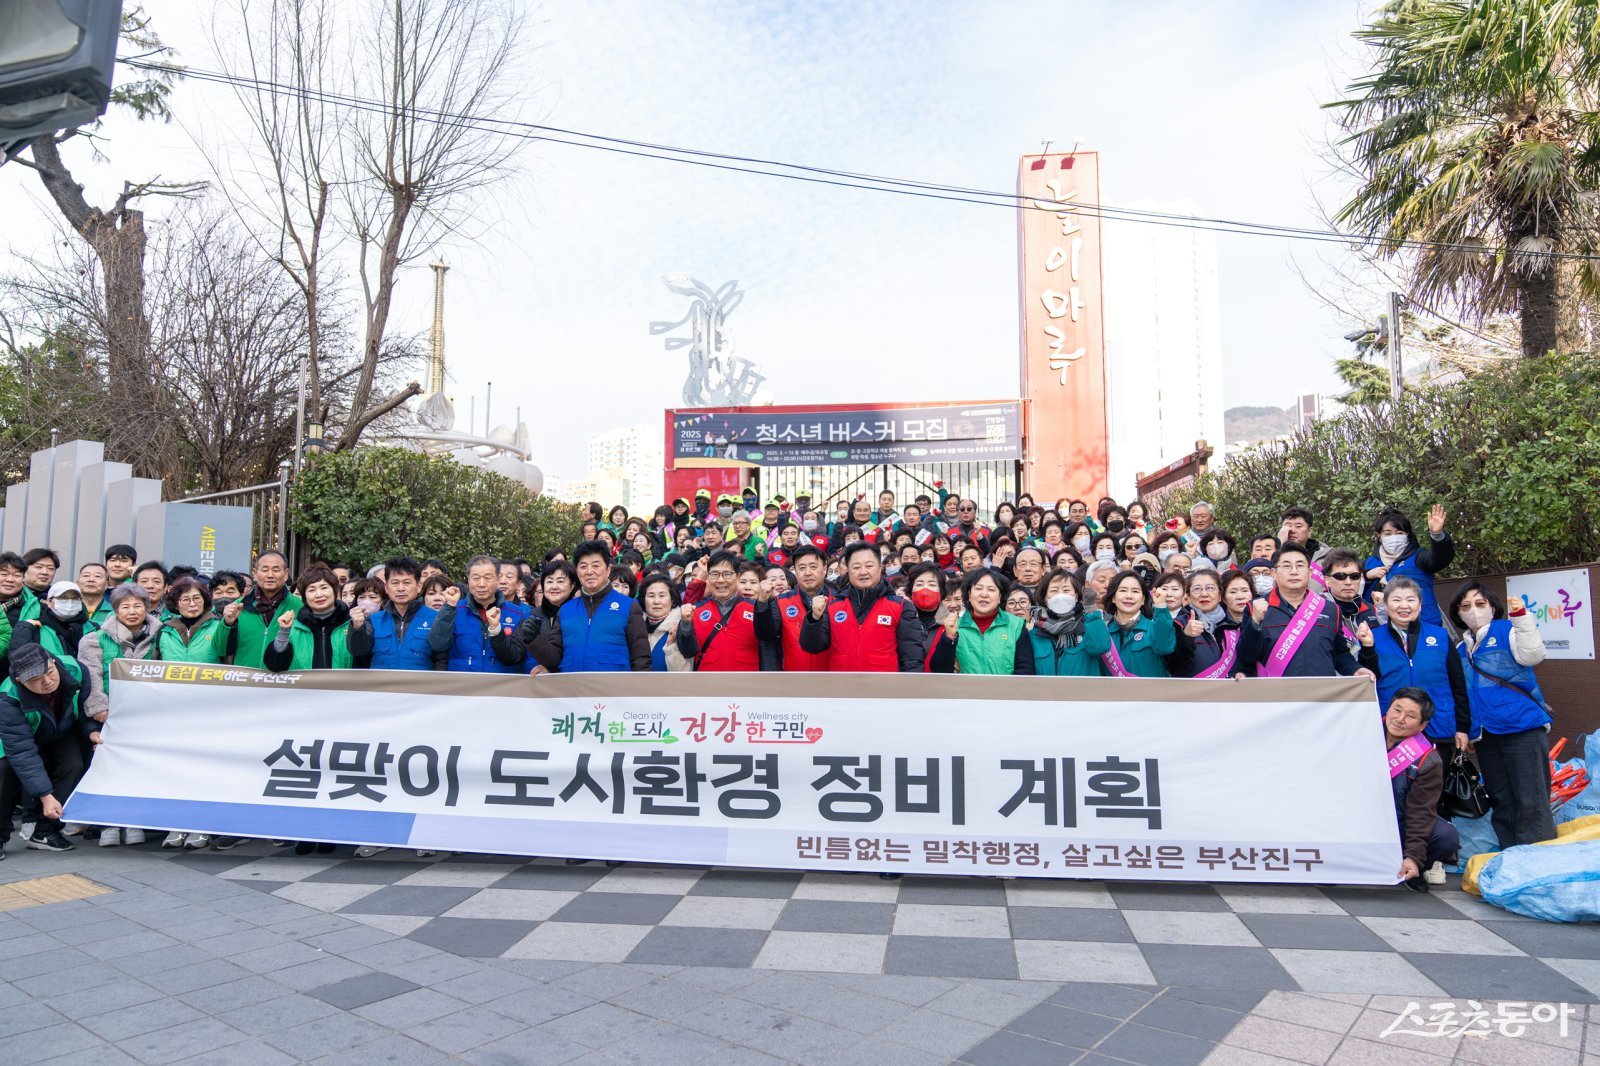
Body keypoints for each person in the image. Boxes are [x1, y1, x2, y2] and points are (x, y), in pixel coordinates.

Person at [1448, 581, 1556, 848]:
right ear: (1458, 614)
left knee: (1532, 799)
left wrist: (1521, 619)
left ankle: (1538, 862)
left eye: (1480, 603)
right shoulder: (1461, 649)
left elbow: (1533, 655)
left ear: (1493, 607)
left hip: (1522, 728)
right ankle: (1511, 858)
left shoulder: (1507, 630)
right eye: (1466, 606)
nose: (1473, 610)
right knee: (1501, 799)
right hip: (1487, 735)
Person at [77, 585, 162, 847]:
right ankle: (109, 824)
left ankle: (135, 820)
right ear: (115, 610)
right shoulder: (94, 639)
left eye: (137, 605)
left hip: (146, 717)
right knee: (108, 768)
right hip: (109, 715)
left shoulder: (162, 635)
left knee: (140, 768)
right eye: (125, 606)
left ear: (147, 607)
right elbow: (91, 678)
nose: (132, 611)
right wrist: (99, 709)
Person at [0, 644, 88, 855]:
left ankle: (45, 831)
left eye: (49, 672)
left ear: (54, 662)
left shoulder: (75, 668)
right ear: (20, 681)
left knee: (73, 764)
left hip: (59, 729)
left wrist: (92, 730)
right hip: (19, 738)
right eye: (36, 680)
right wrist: (45, 795)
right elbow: (22, 752)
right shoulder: (8, 698)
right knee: (5, 772)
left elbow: (87, 708)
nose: (47, 682)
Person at [1370, 577, 1469, 765]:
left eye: (1410, 599)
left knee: (1438, 788)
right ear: (1386, 605)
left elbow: (1458, 684)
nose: (1404, 606)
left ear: (1420, 605)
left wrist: (1463, 727)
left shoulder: (1439, 635)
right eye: (1396, 600)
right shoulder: (1372, 638)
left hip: (1439, 726)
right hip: (1391, 727)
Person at [1237, 543, 1372, 679]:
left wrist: (1356, 669)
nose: (1294, 571)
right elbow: (1246, 657)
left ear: (1310, 573)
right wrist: (1255, 622)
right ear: (1274, 573)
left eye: (1300, 565)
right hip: (1277, 695)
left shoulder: (1330, 609)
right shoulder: (1256, 608)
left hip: (1321, 695)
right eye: (1286, 566)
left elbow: (1340, 654)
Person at [799, 541, 926, 671]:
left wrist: (909, 688)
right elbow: (812, 646)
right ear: (847, 570)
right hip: (842, 685)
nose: (863, 572)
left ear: (880, 568)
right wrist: (814, 618)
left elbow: (912, 657)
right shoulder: (833, 607)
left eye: (869, 566)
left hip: (885, 686)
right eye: (856, 567)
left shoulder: (900, 607)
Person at [529, 541, 651, 672]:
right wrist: (534, 639)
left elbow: (641, 659)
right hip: (573, 689)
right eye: (583, 566)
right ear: (577, 571)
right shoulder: (566, 610)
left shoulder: (628, 607)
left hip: (614, 690)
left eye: (596, 566)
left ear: (608, 569)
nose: (589, 571)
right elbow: (555, 660)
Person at [1384, 688, 1460, 891]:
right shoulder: (1361, 733)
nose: (1399, 719)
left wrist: (1414, 857)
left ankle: (1412, 869)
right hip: (1357, 821)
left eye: (1410, 716)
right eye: (1396, 710)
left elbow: (1421, 812)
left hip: (1399, 824)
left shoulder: (1428, 759)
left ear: (1422, 725)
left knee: (1445, 836)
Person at [674, 550, 781, 671]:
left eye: (727, 574)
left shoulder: (757, 608)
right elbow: (687, 651)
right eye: (714, 574)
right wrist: (685, 623)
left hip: (749, 685)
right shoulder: (697, 609)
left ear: (738, 577)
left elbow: (768, 641)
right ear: (707, 577)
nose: (720, 580)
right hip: (707, 684)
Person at [429, 555, 530, 673]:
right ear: (468, 579)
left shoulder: (516, 613)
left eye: (488, 578)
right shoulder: (454, 609)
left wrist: (496, 630)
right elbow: (437, 645)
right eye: (476, 578)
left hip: (501, 686)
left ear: (497, 580)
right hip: (463, 686)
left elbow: (514, 657)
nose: (481, 584)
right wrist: (449, 607)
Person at [930, 569, 1035, 675]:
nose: (984, 594)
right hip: (966, 691)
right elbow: (939, 671)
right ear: (969, 595)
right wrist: (948, 638)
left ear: (1000, 597)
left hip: (1006, 690)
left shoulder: (1016, 625)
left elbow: (1025, 668)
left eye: (991, 589)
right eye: (978, 588)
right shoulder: (955, 626)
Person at [1364, 504, 1454, 625]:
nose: (1394, 537)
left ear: (1407, 534)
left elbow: (1441, 559)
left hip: (1425, 626)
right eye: (1388, 533)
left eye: (1399, 533)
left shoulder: (1419, 557)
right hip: (1383, 630)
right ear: (1379, 535)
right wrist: (1367, 575)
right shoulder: (1370, 562)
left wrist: (1437, 534)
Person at [347, 557, 439, 671]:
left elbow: (442, 659)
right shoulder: (375, 620)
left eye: (406, 582)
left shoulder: (434, 618)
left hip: (420, 686)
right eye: (394, 583)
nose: (400, 588)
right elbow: (358, 651)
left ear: (419, 586)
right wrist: (357, 627)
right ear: (386, 587)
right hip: (382, 686)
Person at [264, 568, 356, 672]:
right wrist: (284, 632)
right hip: (303, 688)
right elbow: (275, 666)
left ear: (335, 591)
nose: (319, 595)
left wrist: (358, 629)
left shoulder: (352, 624)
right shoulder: (294, 628)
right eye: (311, 590)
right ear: (304, 597)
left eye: (324, 588)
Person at [232, 551, 301, 670]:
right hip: (246, 681)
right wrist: (227, 624)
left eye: (276, 570)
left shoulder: (300, 606)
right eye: (264, 570)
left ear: (285, 574)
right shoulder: (238, 607)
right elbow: (220, 649)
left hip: (286, 682)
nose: (270, 575)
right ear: (254, 573)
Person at [1100, 571, 1176, 677]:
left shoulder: (1154, 627)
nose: (1129, 596)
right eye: (1123, 590)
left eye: (1135, 591)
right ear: (1113, 597)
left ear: (1143, 599)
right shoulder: (1103, 633)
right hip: (1113, 693)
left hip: (1149, 693)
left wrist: (1161, 606)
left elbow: (1165, 647)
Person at [775, 545, 832, 671]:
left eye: (813, 567)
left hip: (831, 678)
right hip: (794, 679)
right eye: (801, 568)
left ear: (824, 569)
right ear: (795, 571)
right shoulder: (781, 601)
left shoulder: (839, 601)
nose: (807, 573)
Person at [1178, 569, 1244, 679]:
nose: (1204, 594)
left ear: (1220, 596)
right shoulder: (1179, 624)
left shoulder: (1234, 625)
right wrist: (1186, 637)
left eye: (1210, 588)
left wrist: (1243, 672)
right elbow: (1175, 667)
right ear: (1188, 597)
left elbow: (1247, 661)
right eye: (1197, 589)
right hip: (1195, 693)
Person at [640, 572, 692, 672]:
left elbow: (684, 674)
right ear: (644, 599)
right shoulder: (636, 626)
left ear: (672, 600)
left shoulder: (681, 627)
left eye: (662, 596)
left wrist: (671, 646)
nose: (656, 601)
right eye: (651, 596)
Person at [77, 563, 113, 631]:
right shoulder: (68, 609)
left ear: (106, 585)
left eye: (97, 576)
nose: (91, 579)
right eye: (86, 575)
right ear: (77, 583)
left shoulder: (115, 612)